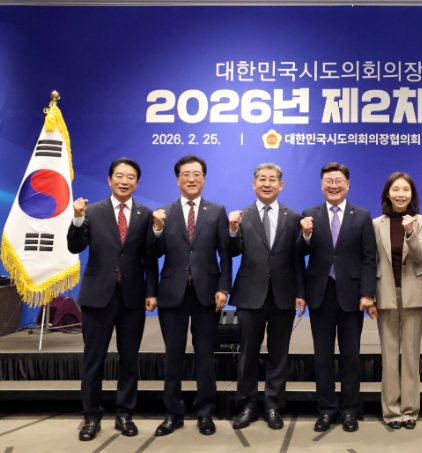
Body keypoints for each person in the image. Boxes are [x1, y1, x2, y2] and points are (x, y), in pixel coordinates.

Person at [67, 158, 158, 441]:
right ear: (109, 180)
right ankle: (91, 417)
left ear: (137, 183)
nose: (124, 181)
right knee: (93, 361)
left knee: (129, 361)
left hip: (132, 297)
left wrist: (151, 291)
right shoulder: (92, 211)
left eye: (130, 177)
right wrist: (77, 219)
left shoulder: (145, 214)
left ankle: (124, 414)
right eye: (119, 176)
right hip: (97, 297)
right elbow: (75, 246)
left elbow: (150, 258)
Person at [151, 155, 232, 436]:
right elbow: (153, 254)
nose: (191, 179)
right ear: (177, 180)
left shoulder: (217, 211)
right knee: (172, 355)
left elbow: (226, 254)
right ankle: (173, 414)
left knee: (205, 356)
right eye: (186, 174)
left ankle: (205, 413)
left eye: (197, 174)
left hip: (207, 294)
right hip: (172, 293)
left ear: (204, 179)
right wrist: (157, 229)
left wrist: (223, 288)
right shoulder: (163, 213)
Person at [299, 162, 377, 433]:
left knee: (350, 356)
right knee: (322, 356)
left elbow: (369, 258)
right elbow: (299, 254)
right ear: (322, 185)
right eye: (328, 181)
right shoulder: (309, 215)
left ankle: (349, 410)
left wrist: (368, 293)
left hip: (352, 296)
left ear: (348, 184)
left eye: (338, 181)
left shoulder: (362, 215)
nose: (333, 186)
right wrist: (305, 236)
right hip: (320, 294)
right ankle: (326, 410)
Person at [227, 163, 306, 430]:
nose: (267, 184)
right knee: (247, 354)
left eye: (272, 180)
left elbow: (298, 258)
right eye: (262, 179)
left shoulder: (293, 217)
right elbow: (233, 251)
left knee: (279, 354)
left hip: (283, 295)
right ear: (254, 184)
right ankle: (247, 406)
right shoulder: (242, 216)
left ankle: (273, 405)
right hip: (250, 295)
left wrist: (300, 293)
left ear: (281, 185)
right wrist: (232, 230)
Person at [373, 172, 422, 430]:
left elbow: (419, 256)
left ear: (412, 194)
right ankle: (391, 412)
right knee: (389, 356)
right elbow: (371, 261)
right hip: (385, 293)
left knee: (410, 355)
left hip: (414, 295)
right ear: (387, 193)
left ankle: (409, 411)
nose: (400, 194)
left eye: (405, 190)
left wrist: (410, 233)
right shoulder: (376, 224)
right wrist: (370, 297)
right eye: (395, 189)